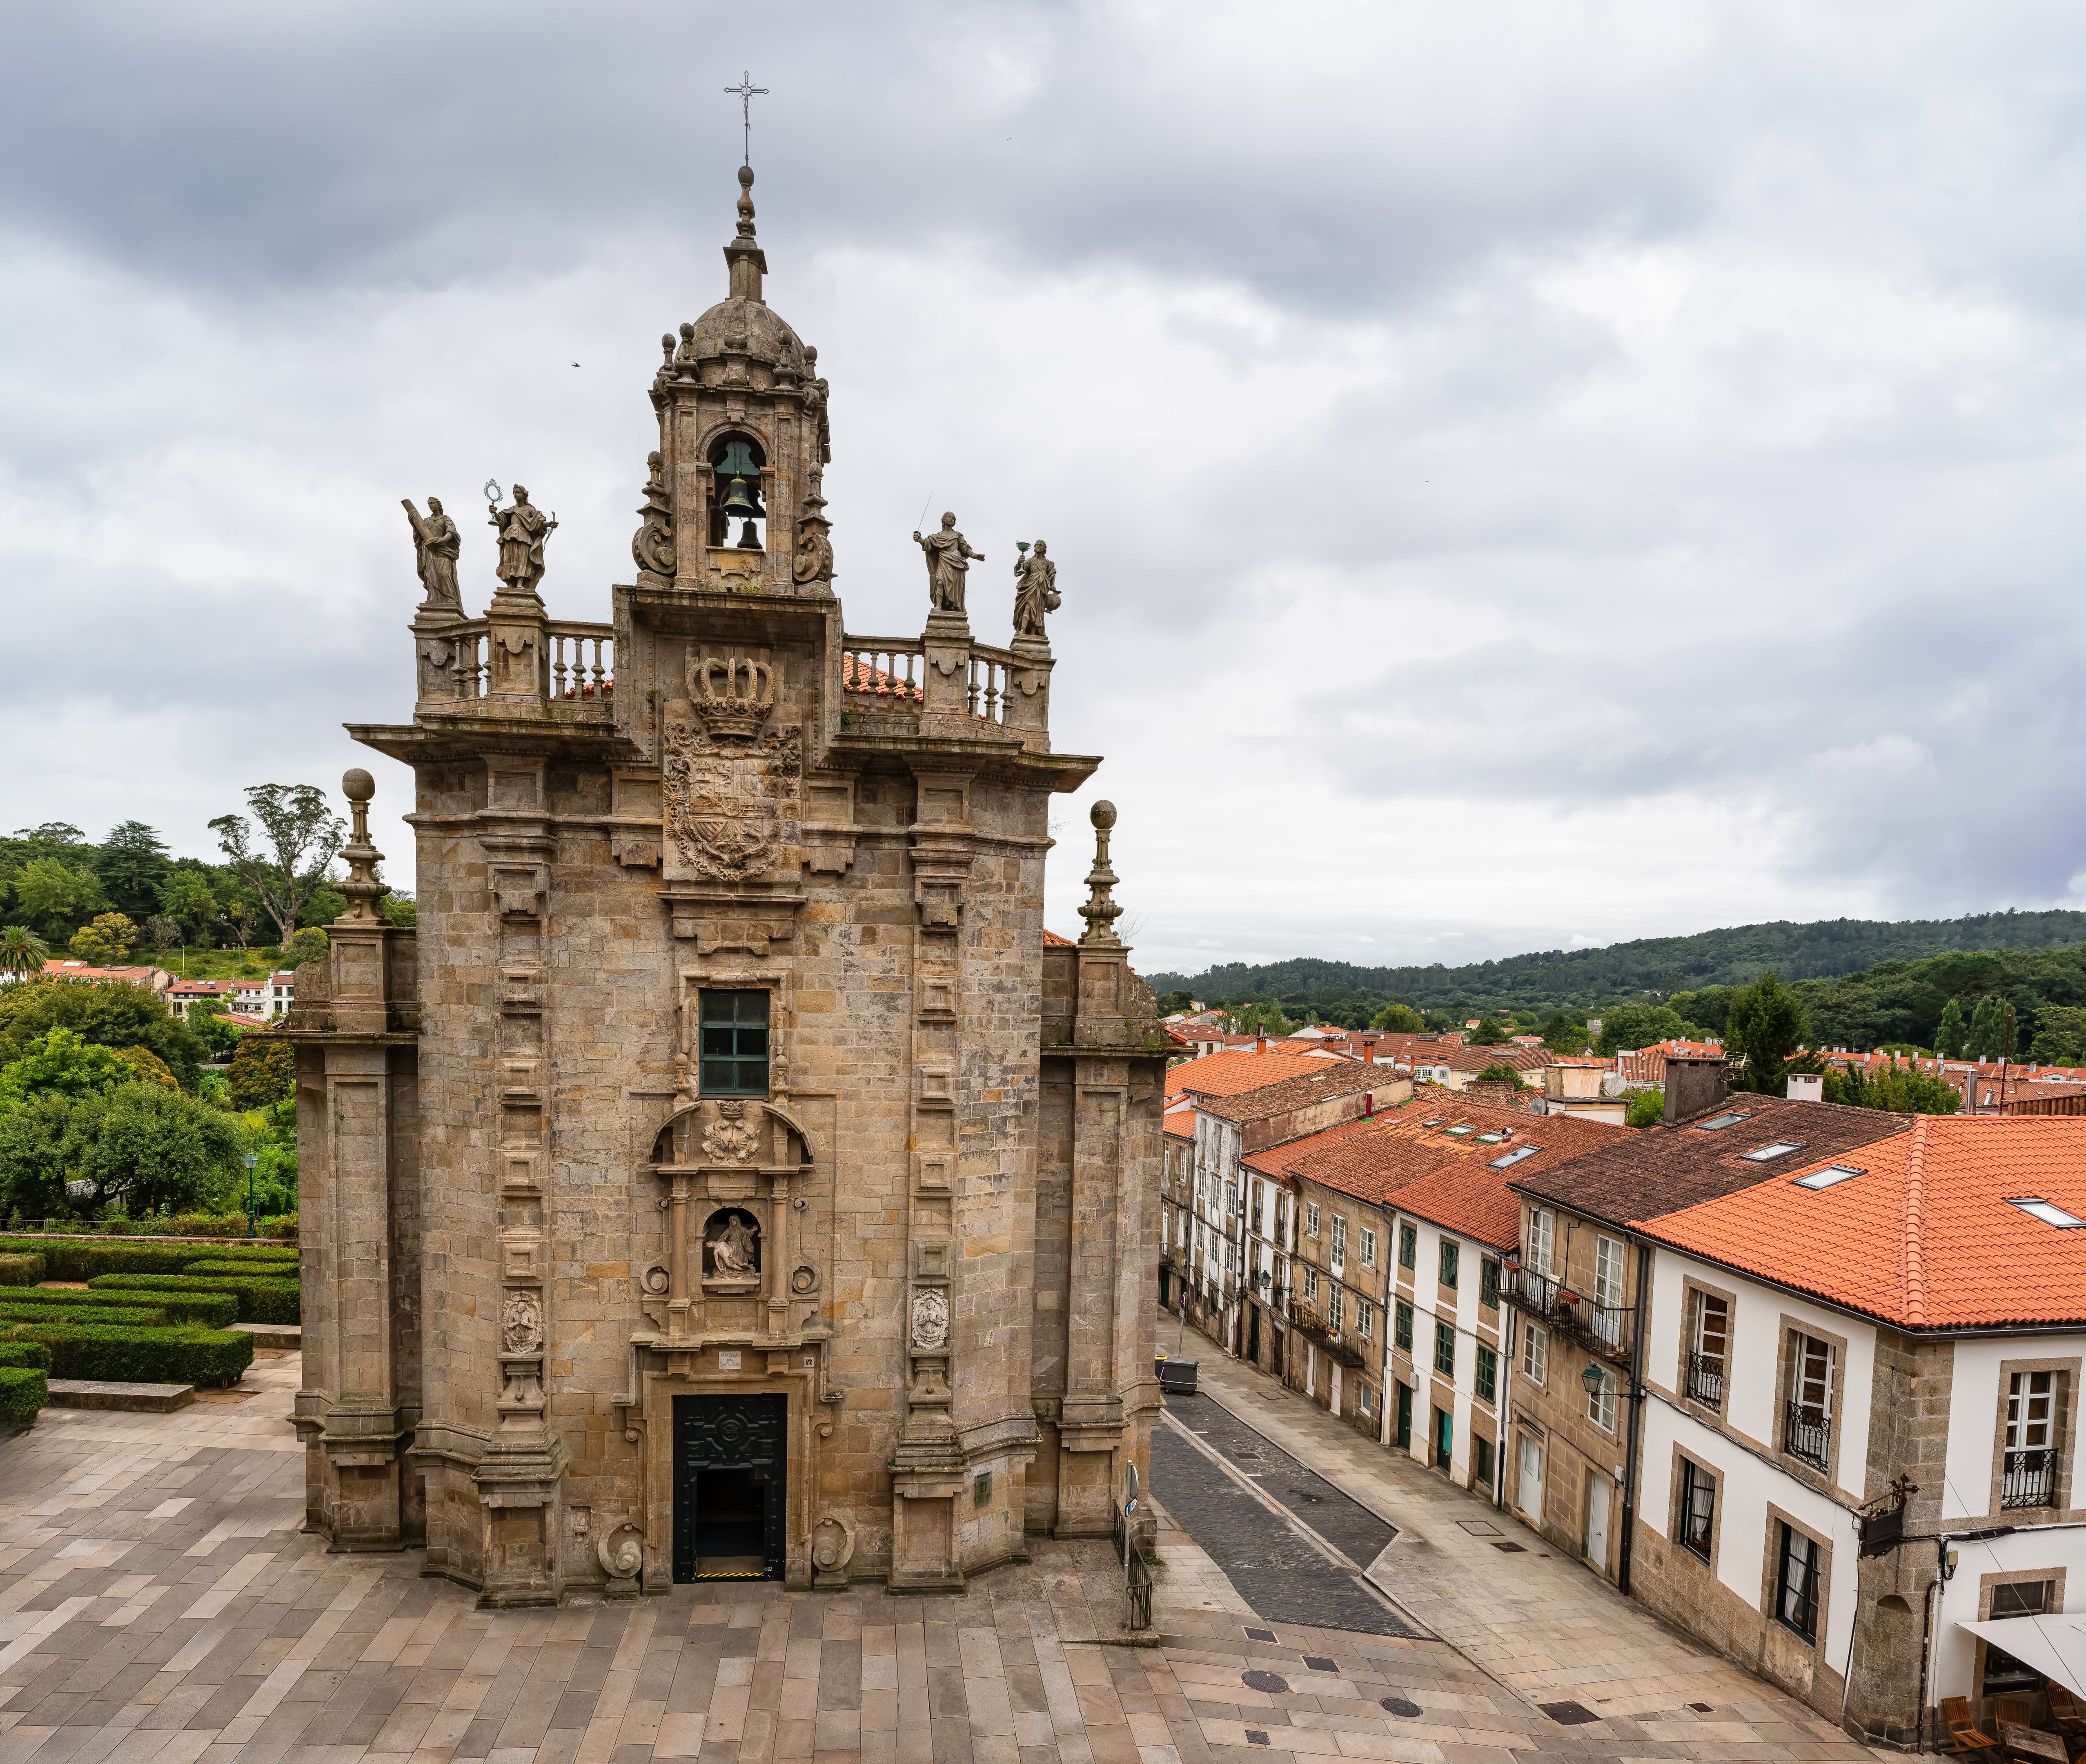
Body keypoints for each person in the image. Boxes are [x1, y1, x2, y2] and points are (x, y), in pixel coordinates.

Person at [913, 511, 983, 614]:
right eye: (949, 517)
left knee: (954, 588)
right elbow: (928, 543)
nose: (951, 519)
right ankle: (939, 607)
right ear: (944, 520)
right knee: (940, 582)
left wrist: (975, 556)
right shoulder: (937, 536)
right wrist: (919, 539)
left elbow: (965, 548)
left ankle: (954, 607)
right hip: (944, 560)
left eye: (953, 518)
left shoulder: (957, 535)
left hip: (957, 563)